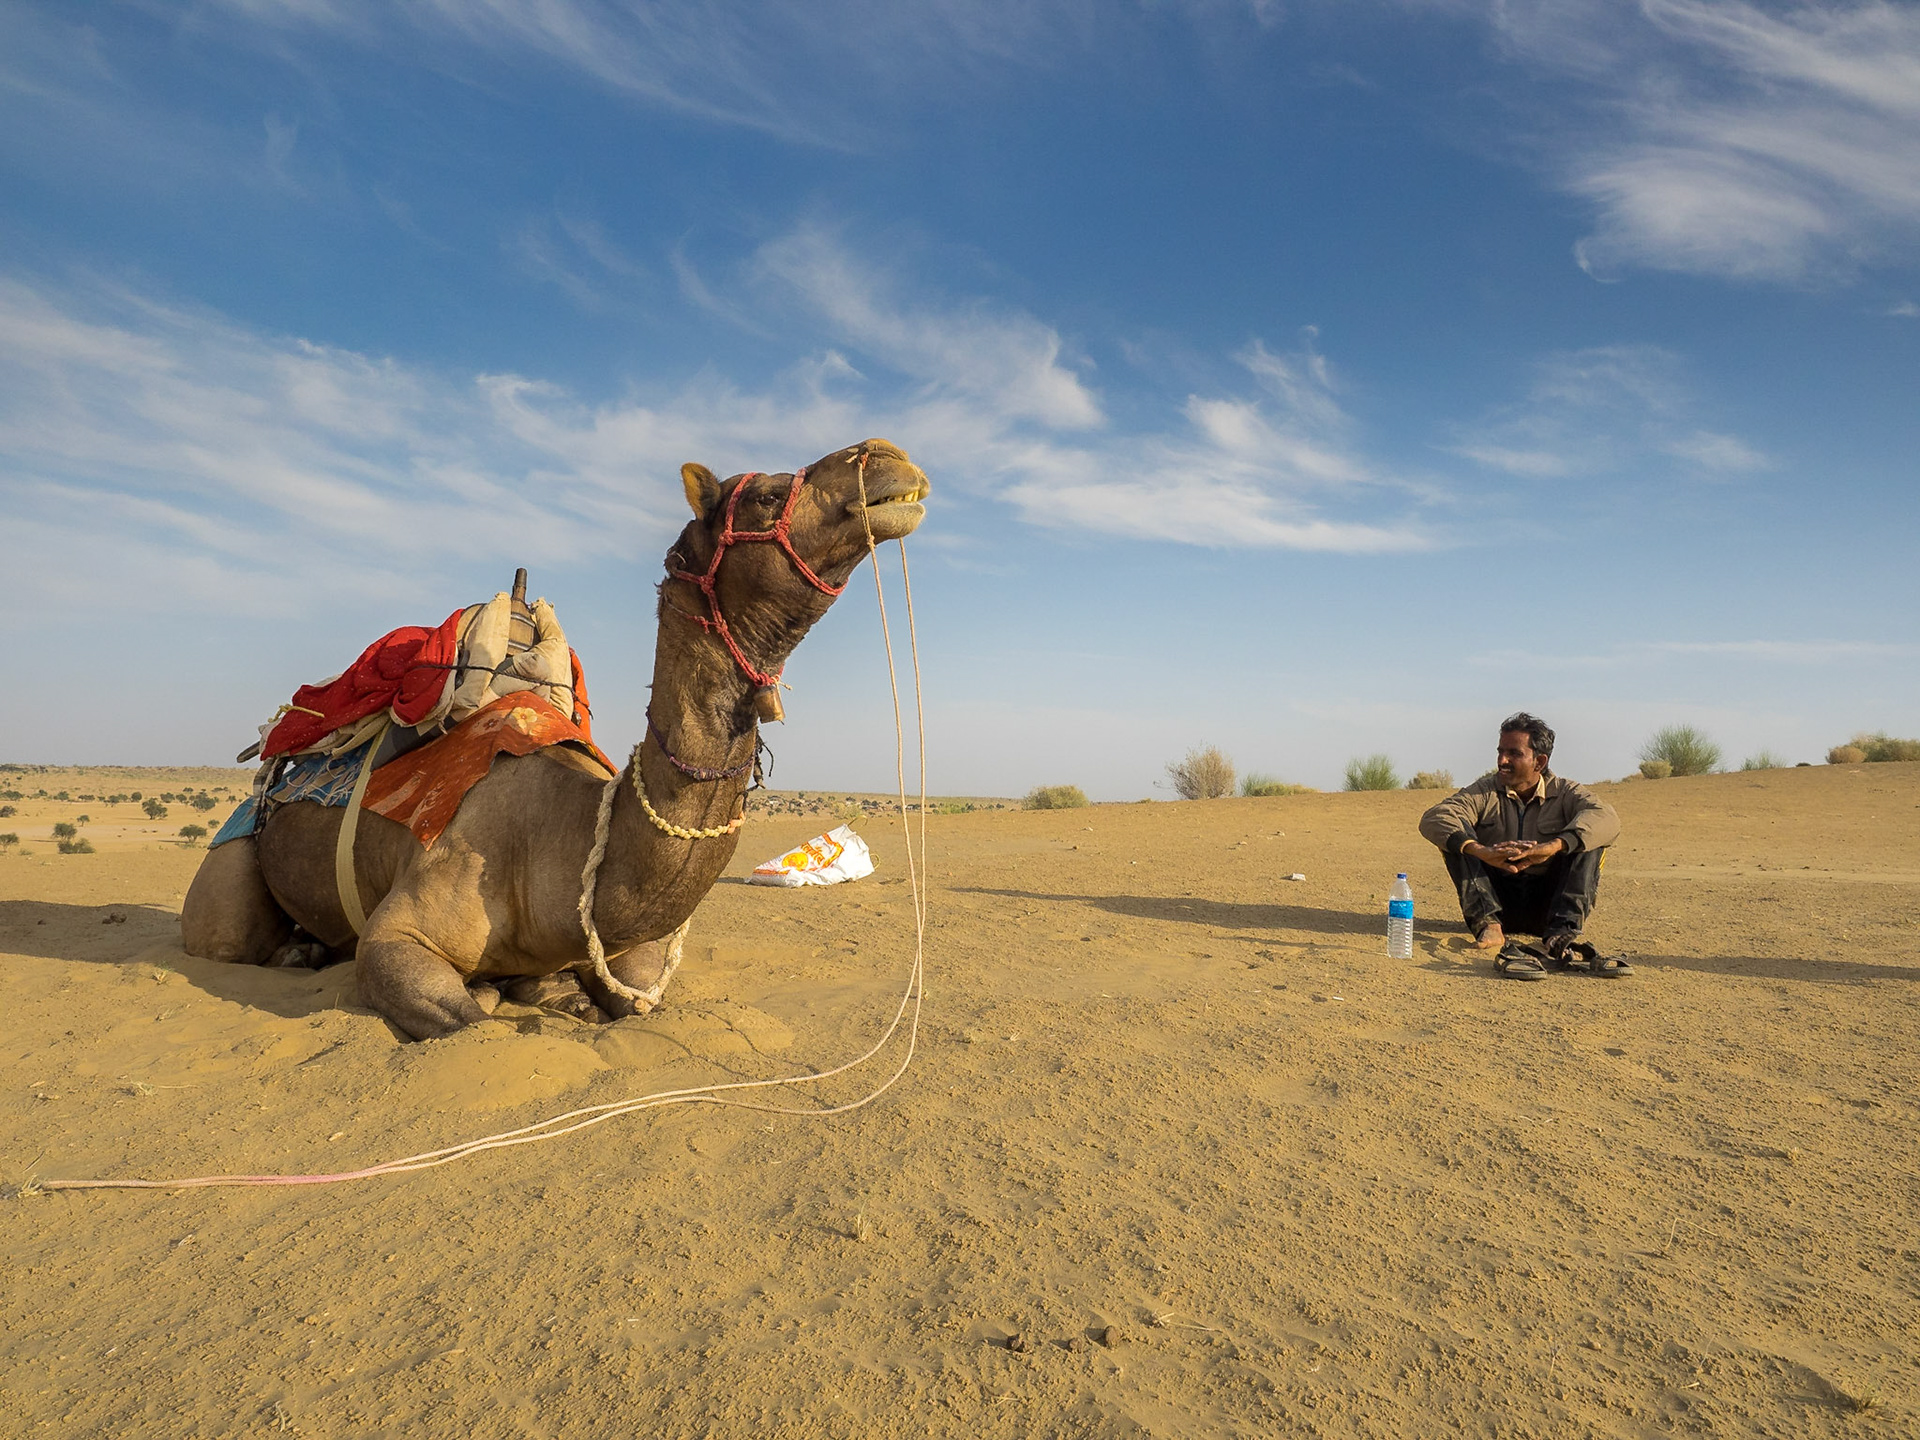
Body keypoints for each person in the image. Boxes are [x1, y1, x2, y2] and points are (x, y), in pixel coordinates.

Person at [1417, 712, 1625, 979]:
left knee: (1589, 840)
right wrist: (1481, 851)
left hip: (1549, 905)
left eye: (1513, 753)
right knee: (1456, 838)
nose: (1502, 761)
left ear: (1539, 761)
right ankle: (1488, 925)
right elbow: (1435, 817)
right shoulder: (1484, 791)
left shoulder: (1565, 792)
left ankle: (1562, 932)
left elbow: (1608, 819)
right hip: (1497, 902)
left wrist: (1553, 847)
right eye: (1500, 752)